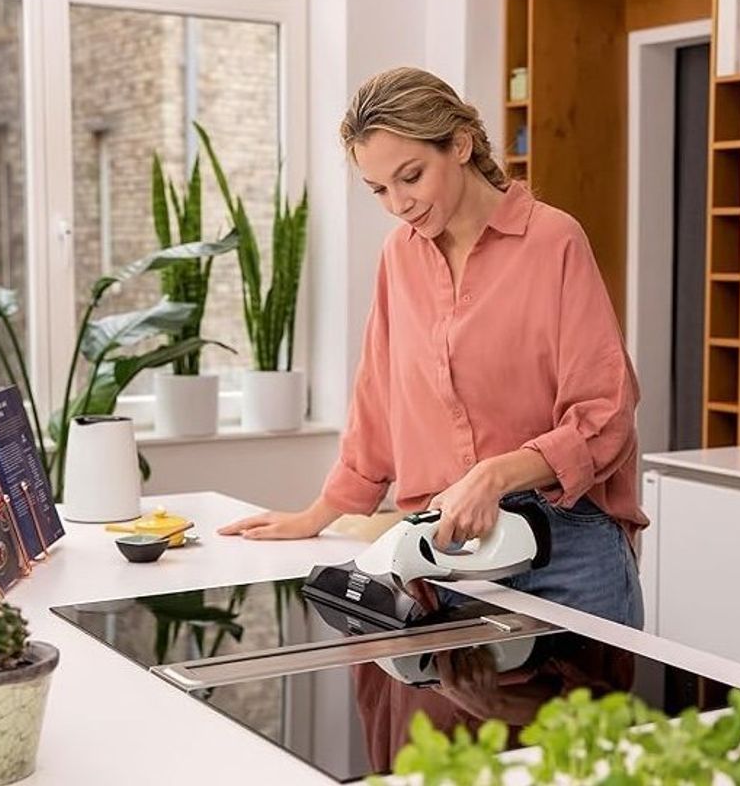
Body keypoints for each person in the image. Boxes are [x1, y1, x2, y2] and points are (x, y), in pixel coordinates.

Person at [219, 67, 646, 629]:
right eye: (378, 190)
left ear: (460, 144)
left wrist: (491, 476)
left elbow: (604, 412)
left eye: (411, 176)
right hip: (443, 553)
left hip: (563, 547)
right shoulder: (401, 256)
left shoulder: (554, 241)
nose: (398, 203)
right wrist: (317, 514)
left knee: (588, 721)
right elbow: (378, 401)